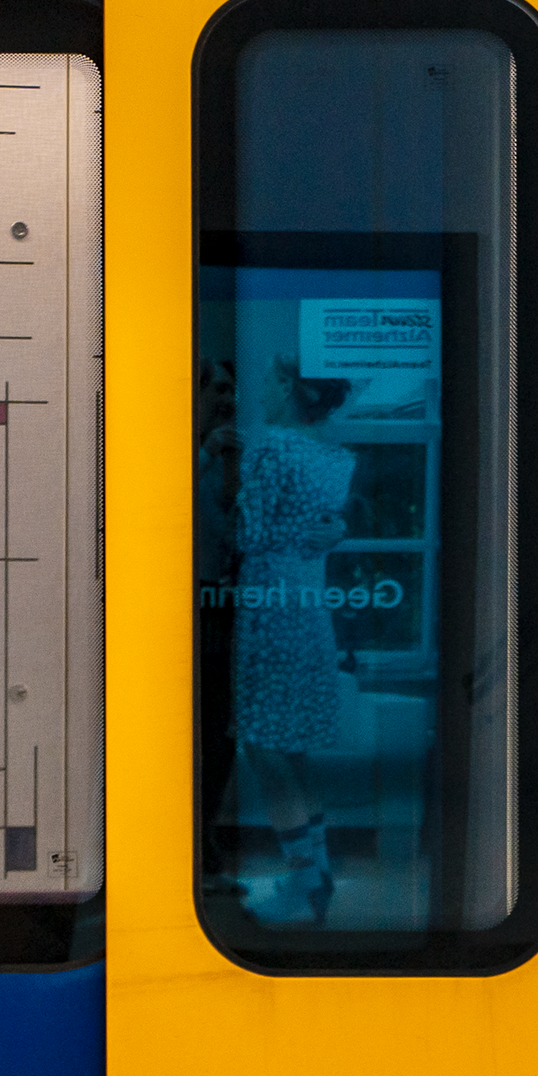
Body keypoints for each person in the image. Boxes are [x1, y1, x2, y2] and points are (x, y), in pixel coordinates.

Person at [231, 357, 356, 928]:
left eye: (267, 379)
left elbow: (249, 534)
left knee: (263, 746)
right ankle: (317, 874)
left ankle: (304, 883)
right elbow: (323, 527)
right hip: (309, 600)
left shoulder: (270, 448)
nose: (260, 390)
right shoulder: (335, 457)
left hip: (269, 601)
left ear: (286, 386)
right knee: (294, 747)